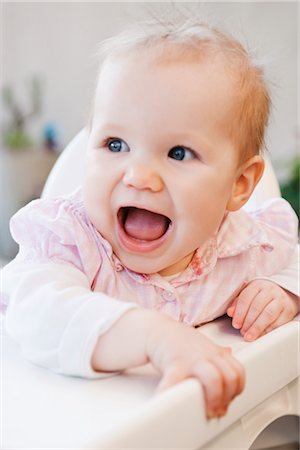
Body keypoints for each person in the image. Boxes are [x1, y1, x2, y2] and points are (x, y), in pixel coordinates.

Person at [2, 16, 299, 419]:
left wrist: (282, 289)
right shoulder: (71, 242)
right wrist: (154, 337)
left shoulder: (242, 245)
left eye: (178, 153)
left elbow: (291, 257)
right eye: (115, 143)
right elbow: (38, 314)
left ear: (239, 185)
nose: (139, 175)